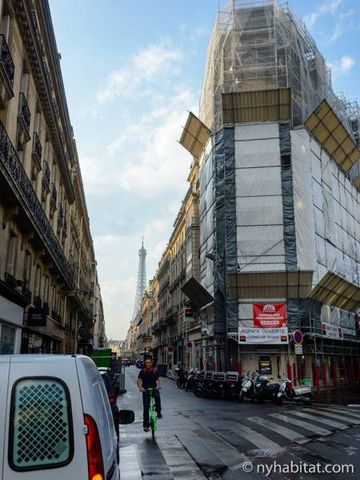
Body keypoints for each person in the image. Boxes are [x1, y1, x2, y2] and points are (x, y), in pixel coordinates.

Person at [137, 356, 162, 432]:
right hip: (145, 390)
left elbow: (159, 379)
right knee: (146, 408)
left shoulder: (155, 371)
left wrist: (159, 386)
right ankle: (146, 426)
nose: (147, 364)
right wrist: (141, 388)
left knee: (157, 398)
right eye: (146, 363)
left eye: (149, 362)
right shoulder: (142, 371)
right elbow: (139, 380)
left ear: (151, 363)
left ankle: (158, 412)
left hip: (154, 389)